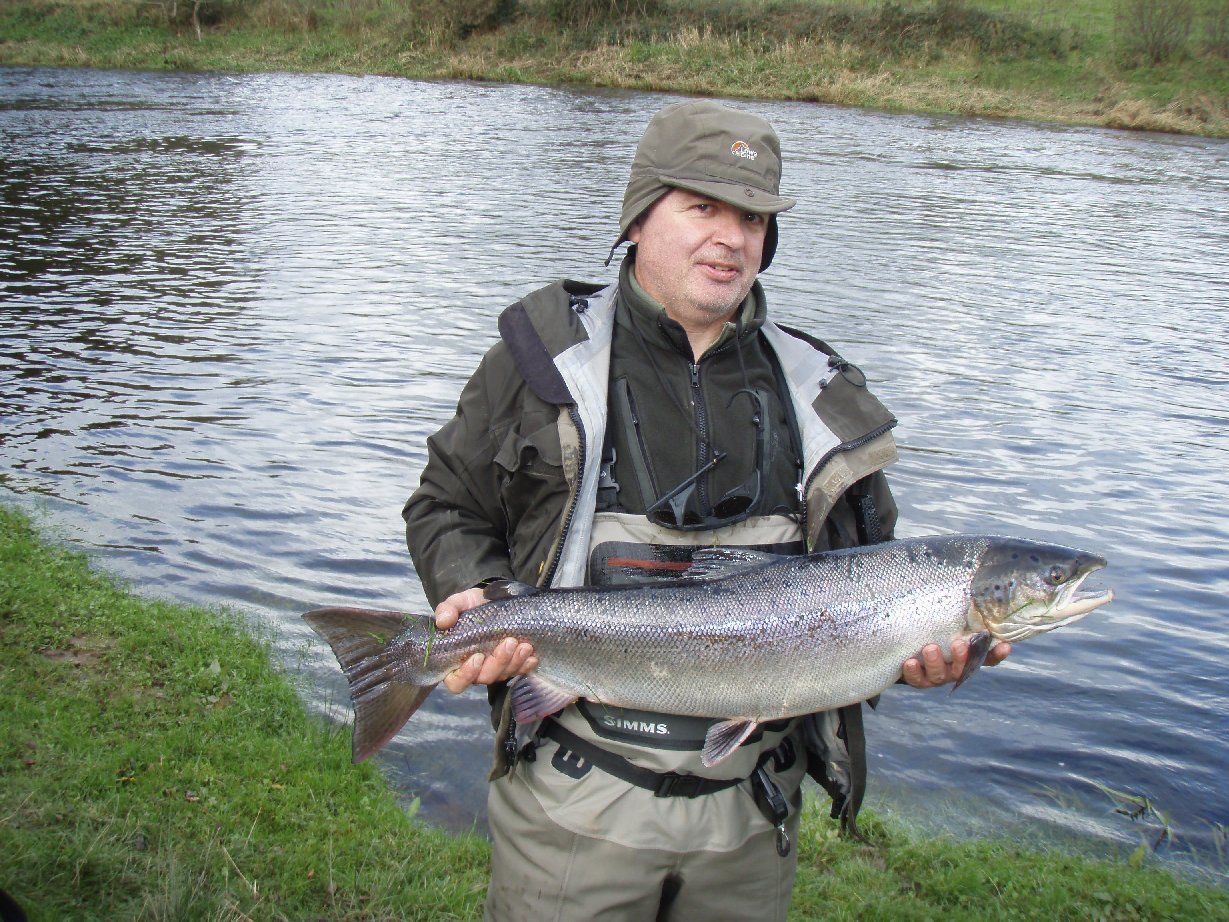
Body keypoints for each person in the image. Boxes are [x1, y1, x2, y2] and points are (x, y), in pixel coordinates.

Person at [403, 99, 1010, 921]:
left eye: (754, 218)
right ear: (639, 217)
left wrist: (929, 654)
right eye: (704, 208)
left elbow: (879, 586)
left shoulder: (822, 395)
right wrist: (472, 589)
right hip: (572, 801)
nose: (733, 237)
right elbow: (444, 504)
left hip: (750, 817)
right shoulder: (541, 363)